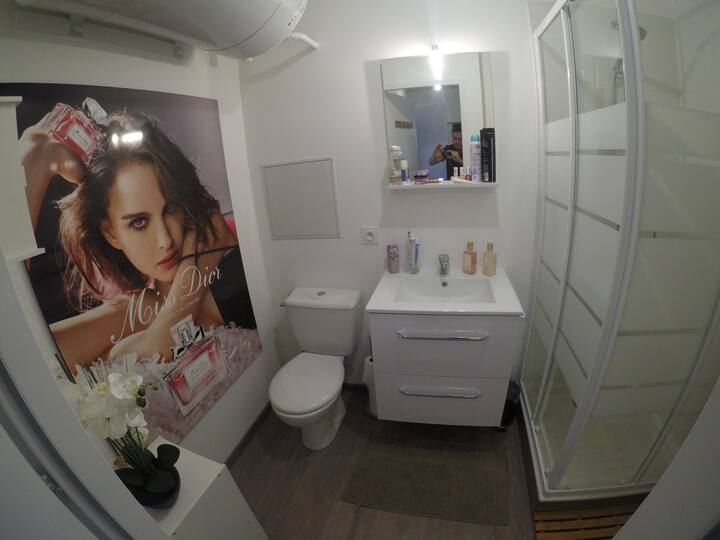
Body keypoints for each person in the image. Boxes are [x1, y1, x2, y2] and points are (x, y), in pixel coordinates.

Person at [20, 109, 255, 376]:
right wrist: (34, 155)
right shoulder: (134, 309)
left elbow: (160, 346)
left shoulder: (225, 256)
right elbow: (20, 360)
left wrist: (130, 350)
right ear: (111, 233)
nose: (165, 240)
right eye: (139, 222)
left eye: (170, 209)